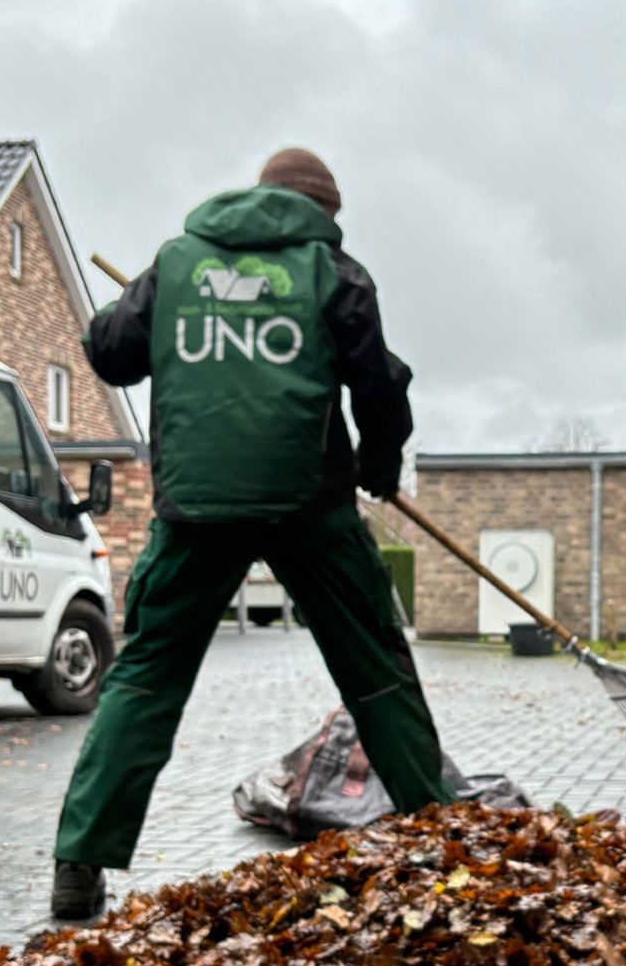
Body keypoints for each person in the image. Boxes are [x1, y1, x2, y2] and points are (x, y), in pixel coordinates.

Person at [50, 148, 451, 920]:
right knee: (375, 667)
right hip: (310, 503)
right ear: (324, 213)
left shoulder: (177, 265)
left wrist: (154, 314)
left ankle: (79, 863)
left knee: (146, 680)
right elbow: (380, 382)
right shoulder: (335, 273)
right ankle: (439, 835)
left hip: (195, 508)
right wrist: (378, 463)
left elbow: (108, 353)